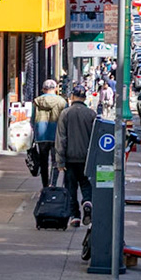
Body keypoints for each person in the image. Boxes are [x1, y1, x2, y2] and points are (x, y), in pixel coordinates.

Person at [55, 84, 96, 222]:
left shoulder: (65, 114)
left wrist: (59, 161)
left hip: (70, 158)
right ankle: (87, 202)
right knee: (86, 184)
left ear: (72, 97)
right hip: (87, 158)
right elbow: (95, 139)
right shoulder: (91, 114)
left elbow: (61, 139)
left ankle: (75, 215)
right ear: (84, 98)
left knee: (71, 187)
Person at [30, 79, 65, 187]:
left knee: (43, 161)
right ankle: (53, 184)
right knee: (55, 161)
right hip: (56, 135)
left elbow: (32, 120)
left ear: (43, 89)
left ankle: (45, 185)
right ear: (55, 89)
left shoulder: (37, 101)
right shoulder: (62, 102)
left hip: (41, 136)